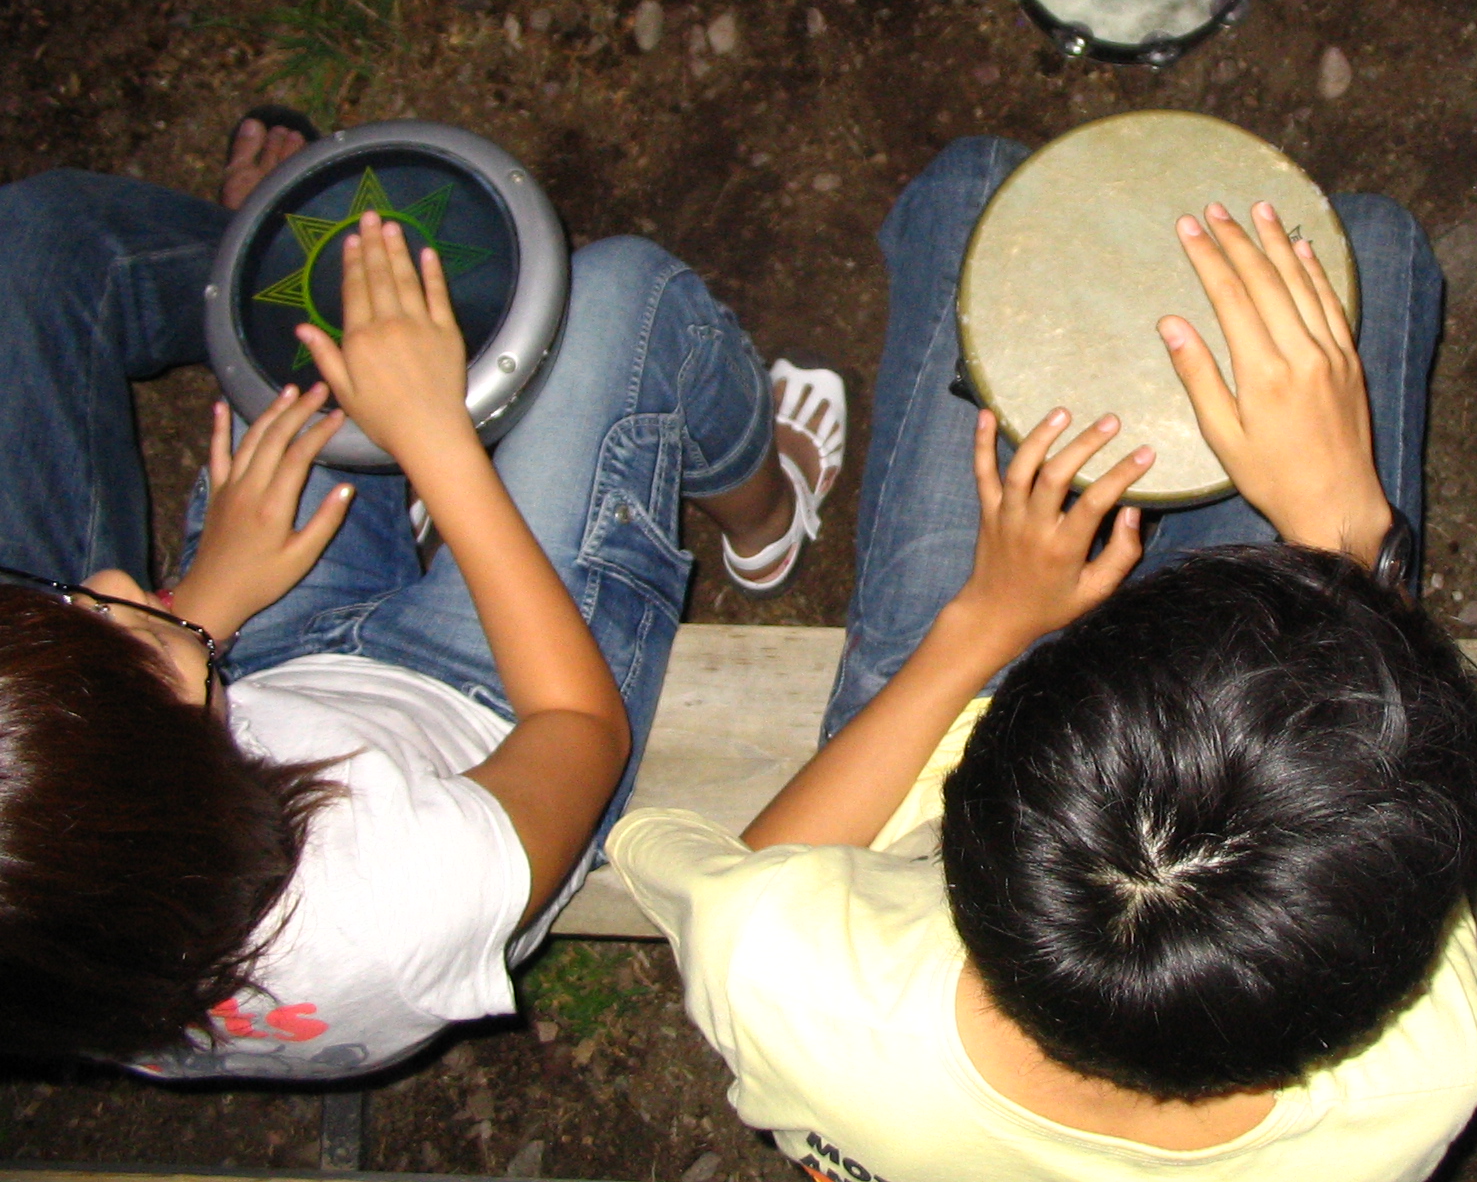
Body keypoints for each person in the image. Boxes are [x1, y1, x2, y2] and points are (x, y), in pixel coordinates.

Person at [610, 138, 1477, 1182]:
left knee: (975, 182)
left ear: (969, 826)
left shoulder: (793, 985)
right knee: (1372, 245)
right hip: (1229, 695)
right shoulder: (1416, 1083)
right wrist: (1342, 528)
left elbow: (749, 877)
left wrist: (983, 626)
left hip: (968, 666)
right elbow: (1391, 783)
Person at [0, 113, 844, 1078]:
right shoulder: (393, 907)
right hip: (497, 726)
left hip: (263, 664)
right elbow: (578, 724)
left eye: (68, 604)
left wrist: (197, 611)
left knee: (228, 305)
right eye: (120, 634)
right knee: (621, 293)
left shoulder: (73, 913)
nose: (111, 582)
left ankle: (251, 260)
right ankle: (767, 508)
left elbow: (134, 691)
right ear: (183, 794)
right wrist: (435, 440)